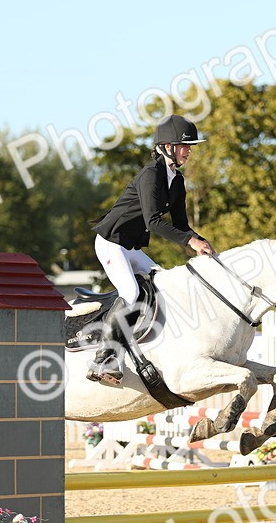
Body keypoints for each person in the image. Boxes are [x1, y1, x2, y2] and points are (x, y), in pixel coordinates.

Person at [88, 114, 215, 385]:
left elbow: (182, 225)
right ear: (167, 147)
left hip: (130, 247)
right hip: (112, 242)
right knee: (132, 292)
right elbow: (154, 223)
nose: (189, 150)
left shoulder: (176, 180)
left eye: (190, 146)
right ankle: (103, 359)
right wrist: (189, 242)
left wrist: (203, 244)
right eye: (185, 145)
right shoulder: (150, 175)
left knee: (163, 283)